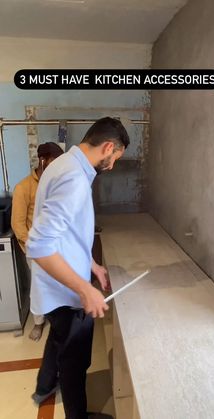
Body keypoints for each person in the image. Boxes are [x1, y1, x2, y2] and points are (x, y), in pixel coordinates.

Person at [26, 117, 130, 419]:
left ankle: (44, 387)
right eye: (114, 160)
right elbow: (40, 245)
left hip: (59, 286)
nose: (111, 166)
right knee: (75, 361)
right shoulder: (73, 176)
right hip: (65, 290)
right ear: (108, 147)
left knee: (61, 341)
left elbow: (68, 233)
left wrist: (92, 264)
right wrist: (85, 289)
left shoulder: (65, 164)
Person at [11, 142, 64, 340]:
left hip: (56, 246)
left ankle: (58, 319)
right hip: (35, 250)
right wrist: (33, 248)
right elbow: (18, 224)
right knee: (39, 286)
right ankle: (39, 323)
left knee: (58, 284)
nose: (57, 167)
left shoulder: (56, 183)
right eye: (54, 163)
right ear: (42, 160)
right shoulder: (23, 188)